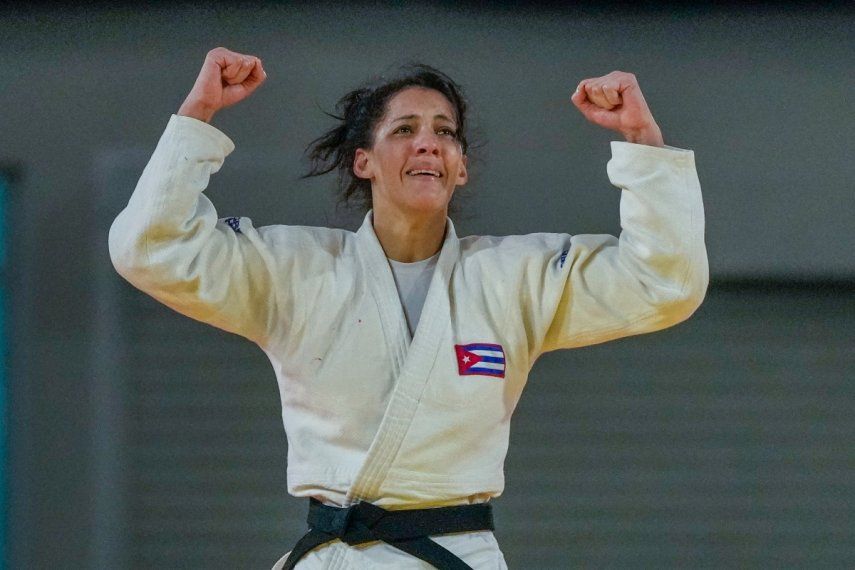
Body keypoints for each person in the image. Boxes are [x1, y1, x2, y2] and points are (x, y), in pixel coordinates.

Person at [108, 47, 708, 569]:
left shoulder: (514, 279)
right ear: (362, 161)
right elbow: (149, 249)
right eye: (404, 129)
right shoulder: (296, 270)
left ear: (461, 167)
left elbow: (666, 283)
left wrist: (641, 143)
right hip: (335, 558)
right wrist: (198, 118)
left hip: (455, 554)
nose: (428, 141)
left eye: (445, 132)